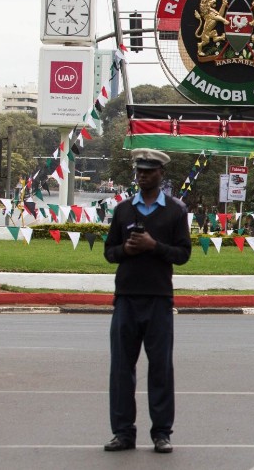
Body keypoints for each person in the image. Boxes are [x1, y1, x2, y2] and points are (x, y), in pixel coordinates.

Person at [103, 149, 192, 454]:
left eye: (149, 171)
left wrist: (154, 246)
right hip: (126, 298)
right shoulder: (123, 210)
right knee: (121, 369)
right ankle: (123, 433)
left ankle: (162, 433)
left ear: (160, 174)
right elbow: (109, 252)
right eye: (139, 171)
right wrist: (126, 251)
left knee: (160, 369)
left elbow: (183, 255)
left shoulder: (176, 211)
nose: (142, 175)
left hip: (158, 299)